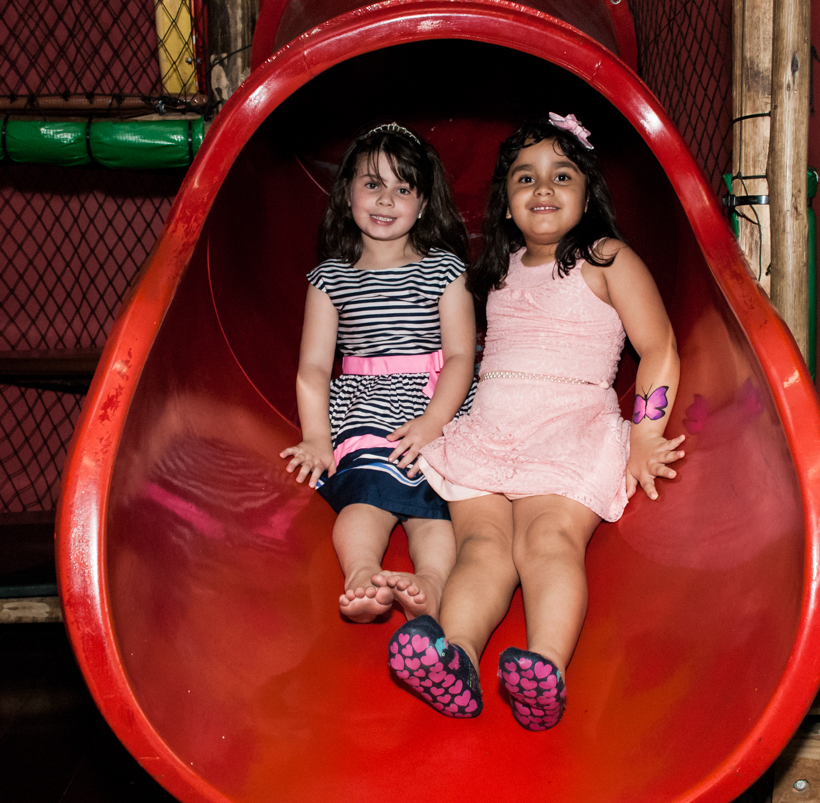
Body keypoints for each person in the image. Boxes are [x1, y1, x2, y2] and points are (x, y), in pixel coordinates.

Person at [387, 114, 684, 728]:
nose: (543, 187)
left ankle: (544, 668)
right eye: (525, 178)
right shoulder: (498, 271)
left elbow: (657, 346)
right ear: (506, 204)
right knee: (482, 550)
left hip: (570, 426)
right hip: (493, 427)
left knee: (547, 542)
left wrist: (645, 434)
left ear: (587, 195)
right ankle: (456, 659)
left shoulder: (606, 258)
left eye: (561, 175)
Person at [281, 122, 476, 624]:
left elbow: (460, 356)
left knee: (436, 507)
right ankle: (362, 575)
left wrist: (434, 422)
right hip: (367, 405)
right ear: (347, 193)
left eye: (403, 188)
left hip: (437, 403)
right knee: (365, 497)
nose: (386, 199)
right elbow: (314, 367)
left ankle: (430, 584)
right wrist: (317, 438)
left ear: (424, 203)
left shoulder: (445, 270)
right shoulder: (331, 278)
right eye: (372, 184)